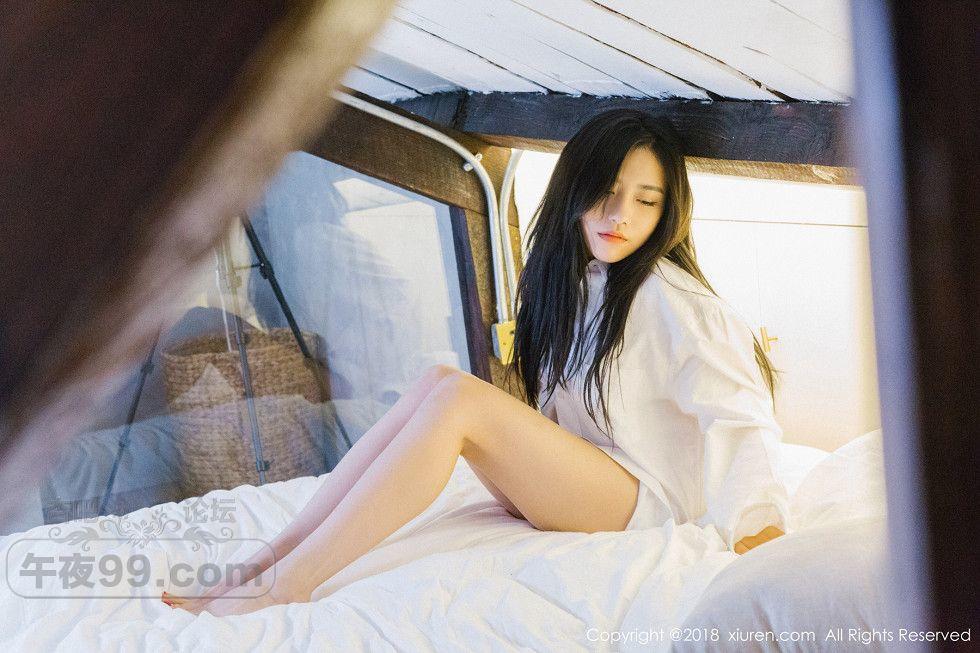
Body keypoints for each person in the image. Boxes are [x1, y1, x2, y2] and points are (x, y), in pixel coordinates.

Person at [163, 109, 789, 617]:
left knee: (460, 402)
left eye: (646, 201)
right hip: (587, 482)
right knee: (441, 382)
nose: (620, 215)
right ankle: (265, 562)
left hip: (643, 504)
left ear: (669, 211)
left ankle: (288, 585)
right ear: (574, 189)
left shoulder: (682, 304)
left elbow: (741, 421)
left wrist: (760, 535)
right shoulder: (581, 281)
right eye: (606, 191)